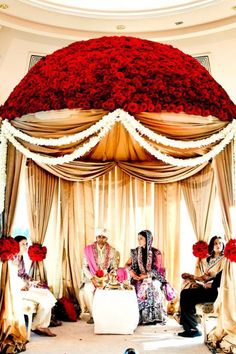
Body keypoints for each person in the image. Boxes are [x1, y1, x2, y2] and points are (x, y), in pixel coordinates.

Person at [13, 235, 57, 337]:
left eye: (26, 244)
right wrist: (25, 284)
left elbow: (23, 274)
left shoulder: (21, 257)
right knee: (46, 299)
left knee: (48, 294)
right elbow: (11, 278)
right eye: (23, 244)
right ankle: (39, 326)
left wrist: (32, 281)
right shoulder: (12, 258)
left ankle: (41, 325)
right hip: (17, 289)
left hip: (25, 287)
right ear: (16, 245)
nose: (25, 246)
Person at [125, 229, 168, 325]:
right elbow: (127, 264)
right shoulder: (135, 252)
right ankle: (141, 317)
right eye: (138, 238)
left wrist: (146, 276)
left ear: (148, 239)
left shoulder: (156, 252)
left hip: (153, 277)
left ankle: (154, 317)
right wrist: (131, 272)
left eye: (141, 238)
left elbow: (157, 269)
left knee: (153, 286)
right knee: (139, 286)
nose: (139, 240)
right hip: (138, 277)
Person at [82, 227, 120, 324]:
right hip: (92, 277)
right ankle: (93, 315)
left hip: (106, 278)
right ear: (96, 237)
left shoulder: (112, 250)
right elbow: (84, 267)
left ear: (106, 239)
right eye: (99, 236)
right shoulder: (88, 249)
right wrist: (92, 279)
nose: (101, 239)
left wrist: (107, 278)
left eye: (103, 237)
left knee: (109, 289)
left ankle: (105, 315)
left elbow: (114, 267)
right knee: (87, 289)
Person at [178, 270, 222, 337]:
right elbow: (216, 279)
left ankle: (193, 329)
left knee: (186, 294)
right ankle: (189, 326)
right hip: (211, 289)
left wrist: (211, 285)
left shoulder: (229, 266)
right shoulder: (227, 265)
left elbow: (225, 280)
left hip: (216, 293)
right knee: (186, 293)